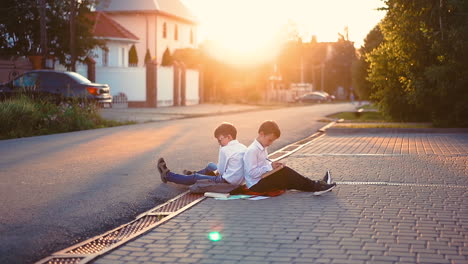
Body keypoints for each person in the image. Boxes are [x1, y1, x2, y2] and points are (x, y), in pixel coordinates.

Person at [243, 120, 336, 195]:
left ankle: (317, 185)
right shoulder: (252, 150)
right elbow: (252, 173)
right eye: (269, 140)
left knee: (289, 177)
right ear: (261, 134)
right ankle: (317, 186)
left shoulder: (262, 148)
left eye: (272, 141)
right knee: (286, 173)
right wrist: (270, 167)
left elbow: (263, 164)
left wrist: (274, 165)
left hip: (262, 179)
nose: (270, 143)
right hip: (256, 185)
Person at [157, 122, 247, 187]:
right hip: (238, 180)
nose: (219, 143)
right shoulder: (242, 147)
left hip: (227, 182)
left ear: (229, 137)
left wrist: (222, 149)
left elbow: (221, 172)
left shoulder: (225, 149)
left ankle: (168, 175)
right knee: (210, 166)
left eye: (220, 140)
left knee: (195, 178)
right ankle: (192, 175)